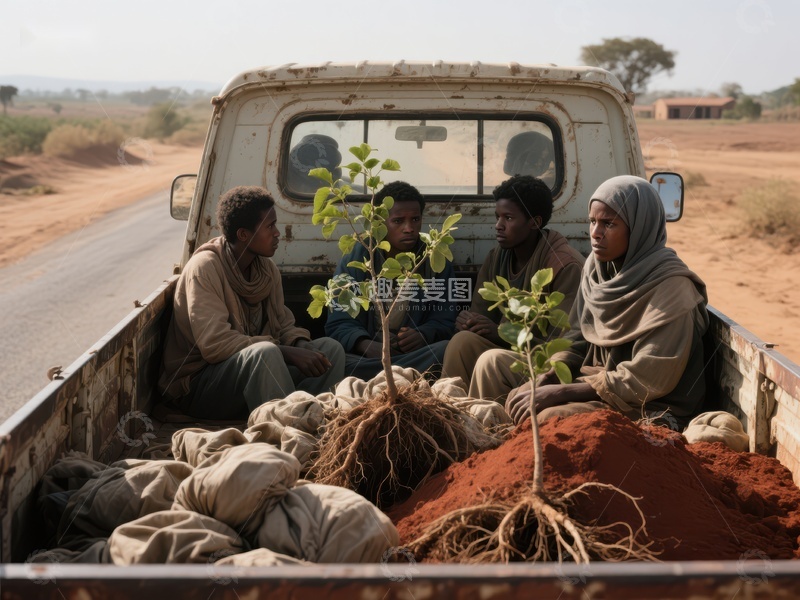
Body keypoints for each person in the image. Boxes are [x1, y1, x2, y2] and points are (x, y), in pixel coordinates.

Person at [503, 175, 709, 428]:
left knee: (549, 417)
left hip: (650, 405)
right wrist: (549, 377)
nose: (595, 233)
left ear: (639, 228)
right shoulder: (597, 269)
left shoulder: (672, 288)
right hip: (597, 383)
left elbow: (646, 379)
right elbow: (576, 340)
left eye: (609, 224)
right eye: (592, 221)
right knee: (514, 388)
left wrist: (562, 391)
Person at [158, 186, 345, 419]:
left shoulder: (266, 269)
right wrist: (286, 352)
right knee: (265, 354)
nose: (277, 233)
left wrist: (300, 345)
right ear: (243, 235)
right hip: (198, 386)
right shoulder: (204, 268)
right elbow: (215, 344)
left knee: (330, 349)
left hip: (253, 369)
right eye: (270, 226)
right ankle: (288, 428)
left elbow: (283, 325)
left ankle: (315, 420)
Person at [442, 175, 584, 398]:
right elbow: (480, 316)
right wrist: (470, 323)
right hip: (510, 350)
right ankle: (449, 412)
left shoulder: (564, 266)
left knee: (492, 360)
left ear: (535, 222)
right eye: (497, 217)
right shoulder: (496, 258)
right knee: (462, 342)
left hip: (548, 365)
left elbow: (564, 347)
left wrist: (502, 333)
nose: (498, 226)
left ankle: (490, 418)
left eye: (508, 218)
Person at [325, 181, 457, 380]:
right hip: (366, 358)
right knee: (331, 358)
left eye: (415, 219)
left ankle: (396, 374)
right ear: (380, 223)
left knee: (447, 349)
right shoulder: (357, 257)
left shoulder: (434, 258)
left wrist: (423, 334)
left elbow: (446, 319)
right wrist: (365, 344)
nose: (409, 228)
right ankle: (402, 376)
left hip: (416, 355)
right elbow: (339, 321)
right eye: (398, 221)